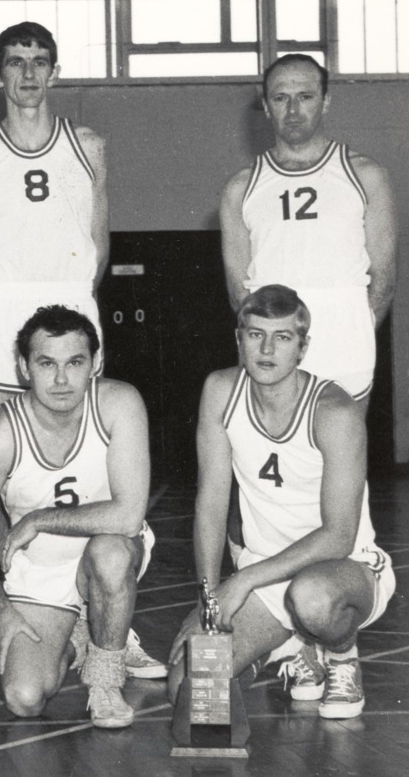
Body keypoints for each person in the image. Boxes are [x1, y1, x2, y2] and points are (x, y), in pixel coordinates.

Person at [166, 285, 395, 720]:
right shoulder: (220, 391)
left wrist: (241, 581)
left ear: (303, 348)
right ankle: (287, 649)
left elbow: (338, 536)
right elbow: (210, 505)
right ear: (239, 339)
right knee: (191, 693)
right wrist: (209, 600)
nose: (267, 349)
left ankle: (340, 654)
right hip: (266, 576)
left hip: (343, 570)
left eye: (283, 337)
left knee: (312, 599)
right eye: (255, 335)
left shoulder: (334, 411)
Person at [0, 306, 153, 729]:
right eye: (46, 364)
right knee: (24, 698)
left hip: (110, 548)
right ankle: (75, 638)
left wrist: (39, 519)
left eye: (75, 363)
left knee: (110, 555)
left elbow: (130, 514)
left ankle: (105, 680)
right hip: (39, 571)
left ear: (95, 364)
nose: (61, 380)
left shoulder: (119, 403)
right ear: (24, 368)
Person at [220, 54, 397, 407]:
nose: (293, 110)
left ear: (326, 101)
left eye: (306, 96)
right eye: (281, 98)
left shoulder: (365, 175)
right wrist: (272, 343)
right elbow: (239, 291)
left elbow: (384, 277)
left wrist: (354, 331)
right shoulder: (241, 187)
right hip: (273, 346)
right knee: (276, 457)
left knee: (342, 456)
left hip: (345, 344)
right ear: (266, 106)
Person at [0, 22, 108, 426]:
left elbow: (99, 245)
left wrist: (71, 296)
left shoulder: (87, 145)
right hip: (2, 304)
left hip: (71, 298)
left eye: (39, 62)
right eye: (15, 63)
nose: (28, 74)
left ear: (54, 73)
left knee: (77, 436)